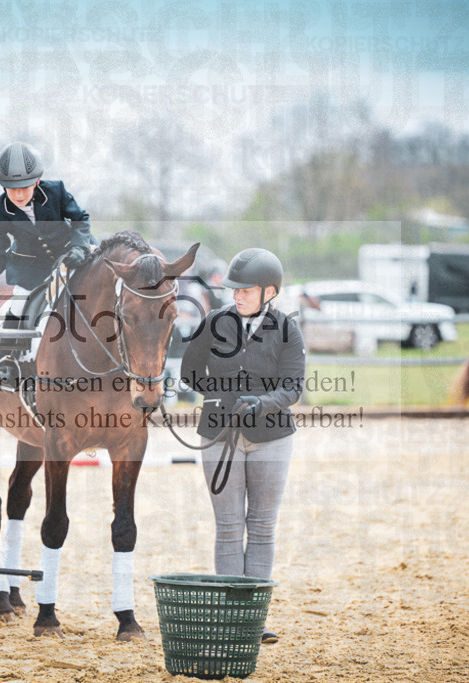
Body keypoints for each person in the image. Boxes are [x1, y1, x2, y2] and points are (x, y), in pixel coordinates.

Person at [180, 248, 305, 645]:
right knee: (229, 527)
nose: (237, 296)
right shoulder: (214, 322)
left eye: (246, 290)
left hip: (272, 438)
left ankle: (254, 619)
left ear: (270, 291)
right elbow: (189, 371)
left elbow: (293, 387)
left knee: (263, 528)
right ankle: (233, 619)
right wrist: (219, 395)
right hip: (219, 436)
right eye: (234, 289)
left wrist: (261, 403)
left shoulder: (287, 330)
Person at [0, 141, 95, 389]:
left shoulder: (56, 191)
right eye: (11, 189)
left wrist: (79, 248)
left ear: (37, 182)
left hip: (72, 255)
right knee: (17, 307)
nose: (18, 194)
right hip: (31, 267)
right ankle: (8, 363)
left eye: (24, 188)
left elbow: (80, 220)